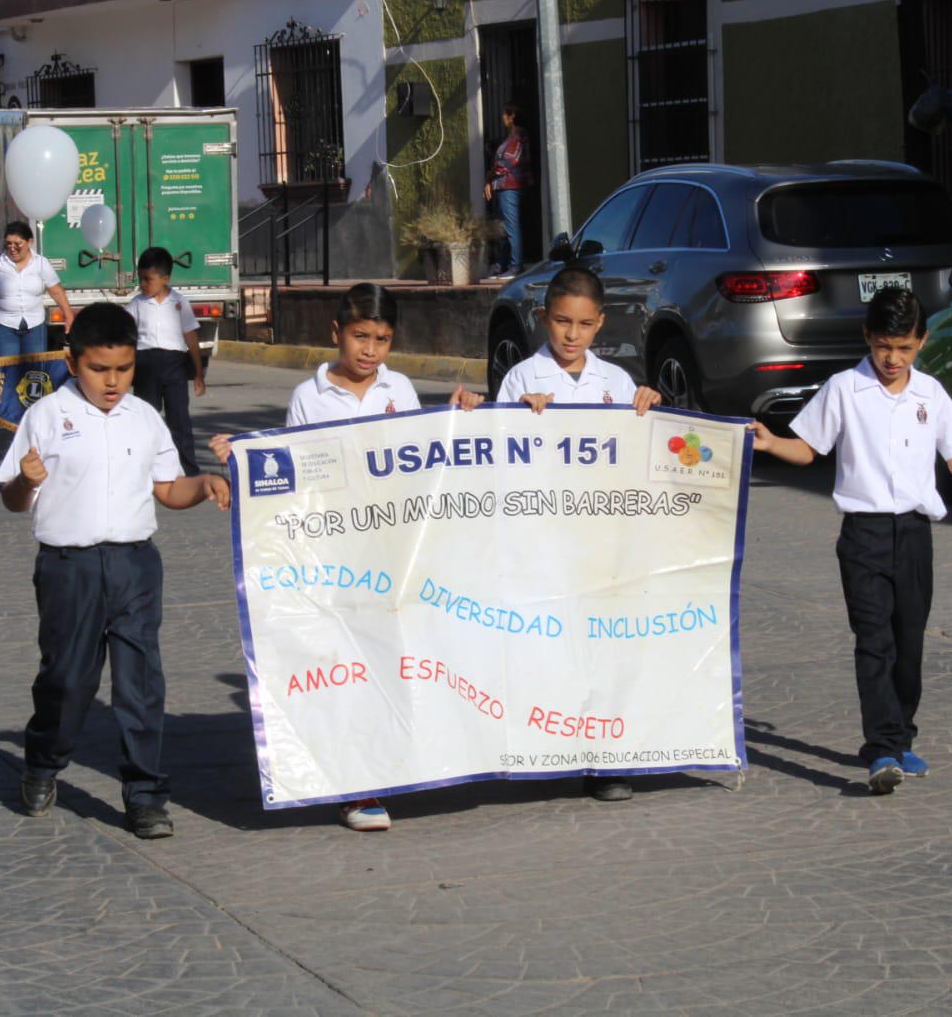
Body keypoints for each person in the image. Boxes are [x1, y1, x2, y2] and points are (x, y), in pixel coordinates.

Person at [210, 282, 483, 832]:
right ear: (336, 333)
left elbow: (422, 457)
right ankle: (358, 788)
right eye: (360, 336)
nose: (370, 350)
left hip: (392, 553)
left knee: (394, 656)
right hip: (335, 554)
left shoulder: (400, 389)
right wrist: (244, 458)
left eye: (382, 339)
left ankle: (402, 761)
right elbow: (290, 475)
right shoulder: (309, 397)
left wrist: (457, 416)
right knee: (347, 663)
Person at [749, 287, 952, 795]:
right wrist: (770, 442)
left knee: (908, 643)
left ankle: (902, 735)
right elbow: (810, 448)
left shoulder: (930, 394)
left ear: (921, 341)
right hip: (863, 535)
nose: (892, 359)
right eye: (882, 347)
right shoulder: (843, 388)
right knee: (874, 642)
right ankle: (880, 749)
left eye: (903, 348)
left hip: (914, 535)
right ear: (867, 339)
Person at [0, 303, 231, 840]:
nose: (113, 381)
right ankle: (43, 760)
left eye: (123, 369)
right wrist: (25, 480)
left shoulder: (145, 417)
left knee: (140, 681)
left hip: (134, 565)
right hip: (67, 567)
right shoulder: (46, 416)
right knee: (67, 679)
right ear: (73, 361)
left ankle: (145, 794)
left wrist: (207, 485)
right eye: (101, 369)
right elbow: (13, 499)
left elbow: (169, 488)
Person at [497, 266, 662, 802]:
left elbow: (638, 453)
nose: (571, 335)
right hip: (544, 537)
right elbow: (495, 456)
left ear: (600, 324)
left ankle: (606, 759)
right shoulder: (522, 379)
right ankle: (545, 748)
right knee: (550, 645)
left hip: (602, 537)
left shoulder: (615, 382)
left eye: (584, 325)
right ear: (543, 317)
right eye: (562, 322)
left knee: (604, 647)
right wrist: (521, 419)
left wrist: (649, 409)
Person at [125, 247, 205, 474]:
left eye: (148, 280)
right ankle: (144, 469)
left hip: (174, 364)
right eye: (140, 279)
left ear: (165, 278)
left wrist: (198, 373)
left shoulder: (179, 303)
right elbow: (127, 338)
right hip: (145, 364)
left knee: (179, 419)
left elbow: (191, 337)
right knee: (145, 418)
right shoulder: (137, 304)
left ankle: (187, 469)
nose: (143, 284)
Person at [0, 220, 74, 357]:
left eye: (18, 244)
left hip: (35, 325)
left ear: (29, 242)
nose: (12, 248)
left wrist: (68, 315)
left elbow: (56, 292)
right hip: (3, 325)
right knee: (7, 371)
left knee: (34, 373)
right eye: (8, 243)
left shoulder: (41, 263)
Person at [484, 101, 531, 279]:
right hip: (504, 187)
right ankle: (502, 264)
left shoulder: (517, 137)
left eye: (505, 114)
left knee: (511, 226)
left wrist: (489, 177)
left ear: (511, 117)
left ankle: (516, 265)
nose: (502, 117)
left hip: (511, 186)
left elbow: (505, 164)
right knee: (504, 227)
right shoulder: (512, 138)